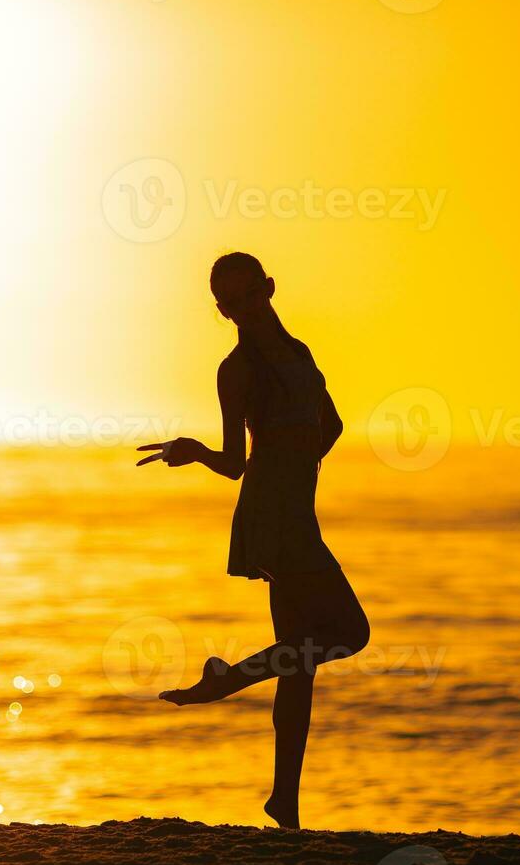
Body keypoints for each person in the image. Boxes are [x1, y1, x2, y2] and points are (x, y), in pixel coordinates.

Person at [137, 252, 370, 830]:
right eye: (229, 303)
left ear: (268, 288)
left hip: (294, 512)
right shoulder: (235, 370)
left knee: (300, 663)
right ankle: (230, 681)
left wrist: (298, 462)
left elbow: (333, 425)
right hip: (272, 518)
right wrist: (194, 452)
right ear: (222, 309)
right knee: (350, 632)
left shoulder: (300, 354)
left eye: (248, 296)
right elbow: (237, 463)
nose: (241, 309)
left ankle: (283, 803)